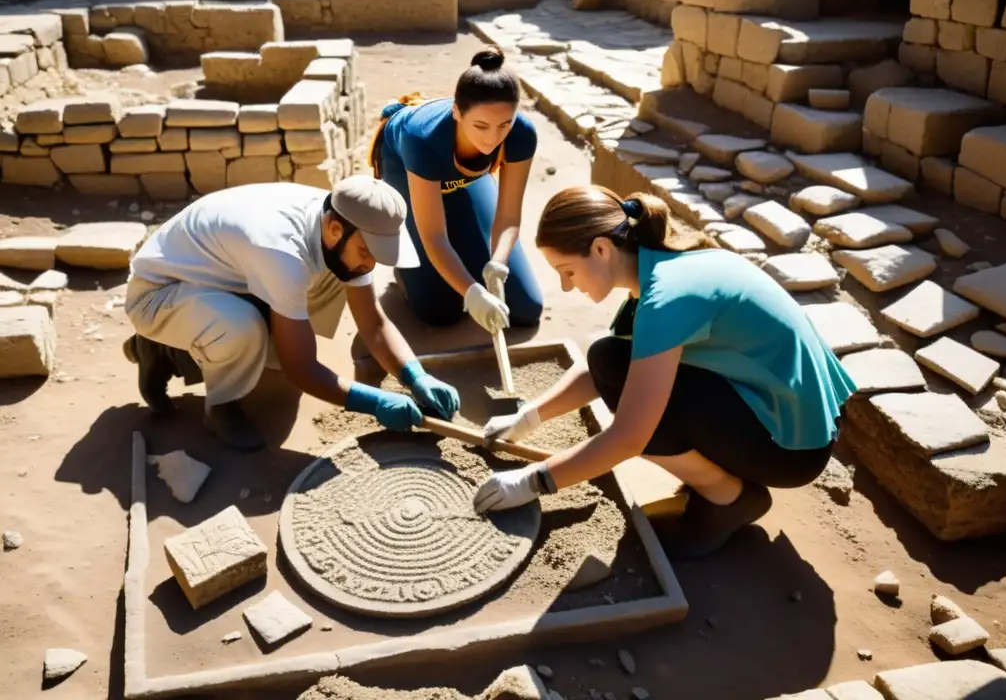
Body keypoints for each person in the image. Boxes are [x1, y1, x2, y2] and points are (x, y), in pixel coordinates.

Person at [470, 185, 857, 560]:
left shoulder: (666, 299)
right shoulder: (664, 266)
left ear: (602, 249)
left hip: (792, 450)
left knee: (639, 410)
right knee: (609, 358)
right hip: (786, 413)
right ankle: (720, 475)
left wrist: (533, 481)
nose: (566, 287)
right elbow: (607, 366)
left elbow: (629, 438)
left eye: (567, 271)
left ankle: (730, 497)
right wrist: (529, 416)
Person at [121, 176, 461, 452]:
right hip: (158, 293)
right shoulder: (282, 251)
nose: (369, 264)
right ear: (334, 231)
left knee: (337, 274)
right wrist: (374, 403)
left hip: (223, 279)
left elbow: (372, 322)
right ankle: (211, 397)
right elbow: (301, 370)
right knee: (244, 331)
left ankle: (196, 342)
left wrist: (415, 377)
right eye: (366, 252)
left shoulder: (343, 221)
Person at [367, 45, 544, 335]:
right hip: (406, 169)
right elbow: (434, 236)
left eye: (504, 125)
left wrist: (498, 263)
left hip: (463, 178)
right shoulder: (421, 139)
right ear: (456, 112)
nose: (492, 138)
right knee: (439, 311)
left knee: (526, 308)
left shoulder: (522, 134)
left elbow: (509, 217)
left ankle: (468, 250)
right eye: (481, 125)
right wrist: (473, 292)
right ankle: (405, 273)